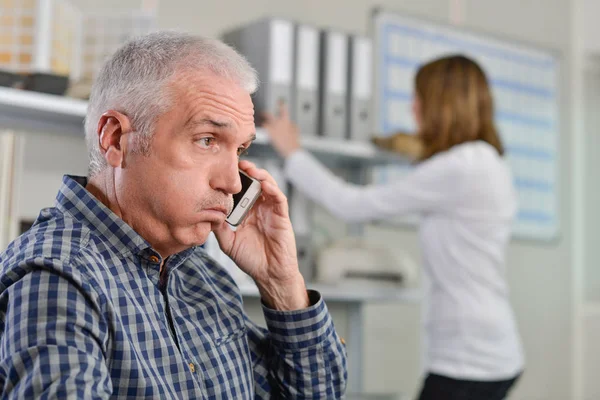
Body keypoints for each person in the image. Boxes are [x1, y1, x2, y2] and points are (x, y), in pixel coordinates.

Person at [0, 32, 347, 399]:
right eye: (207, 140)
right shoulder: (58, 278)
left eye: (240, 149)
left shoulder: (202, 277)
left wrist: (281, 283)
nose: (232, 182)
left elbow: (317, 393)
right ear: (116, 139)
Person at [263, 54, 524, 400]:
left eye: (420, 97)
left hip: (468, 356)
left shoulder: (459, 167)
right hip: (494, 349)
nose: (414, 107)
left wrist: (292, 152)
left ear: (442, 104)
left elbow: (352, 205)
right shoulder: (486, 160)